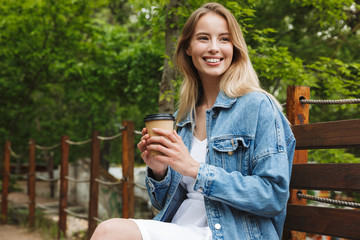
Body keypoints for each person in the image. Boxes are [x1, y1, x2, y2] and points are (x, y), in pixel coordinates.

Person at [91, 2, 295, 240]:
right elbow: (162, 203)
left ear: (235, 47)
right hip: (182, 228)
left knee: (110, 232)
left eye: (224, 39)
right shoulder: (184, 116)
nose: (214, 48)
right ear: (188, 47)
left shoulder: (258, 106)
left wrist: (195, 169)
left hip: (231, 234)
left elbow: (273, 196)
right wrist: (159, 171)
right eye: (203, 38)